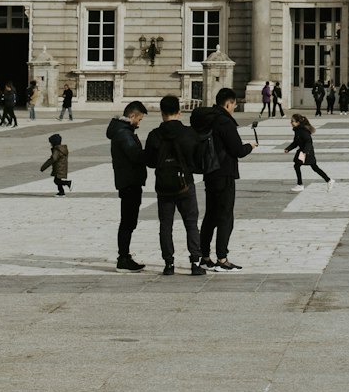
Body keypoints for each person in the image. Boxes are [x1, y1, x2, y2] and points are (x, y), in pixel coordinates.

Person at [143, 94, 206, 276]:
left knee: (165, 225)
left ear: (162, 113)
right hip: (185, 182)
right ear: (179, 112)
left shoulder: (154, 134)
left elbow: (150, 161)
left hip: (163, 185)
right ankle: (195, 262)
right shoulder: (188, 133)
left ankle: (169, 264)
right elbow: (197, 158)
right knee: (191, 223)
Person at [193, 87, 255, 271]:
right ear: (228, 103)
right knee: (226, 216)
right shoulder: (225, 122)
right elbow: (237, 150)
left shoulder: (208, 119)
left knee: (210, 215)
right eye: (234, 105)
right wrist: (250, 146)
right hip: (224, 172)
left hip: (210, 172)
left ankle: (204, 256)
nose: (234, 108)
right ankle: (222, 258)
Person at [107, 100, 148, 270]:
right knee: (128, 221)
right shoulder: (124, 134)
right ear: (132, 116)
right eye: (139, 119)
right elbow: (135, 155)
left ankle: (124, 255)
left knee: (128, 221)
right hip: (129, 181)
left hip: (127, 181)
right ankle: (123, 257)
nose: (139, 122)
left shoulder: (122, 131)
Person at [283, 113, 332, 186]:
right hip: (304, 152)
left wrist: (305, 152)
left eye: (292, 121)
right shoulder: (298, 130)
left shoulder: (302, 131)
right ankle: (329, 180)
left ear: (298, 122)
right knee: (314, 167)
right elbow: (296, 142)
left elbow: (308, 141)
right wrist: (288, 149)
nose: (291, 123)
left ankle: (300, 185)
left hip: (306, 152)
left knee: (299, 166)